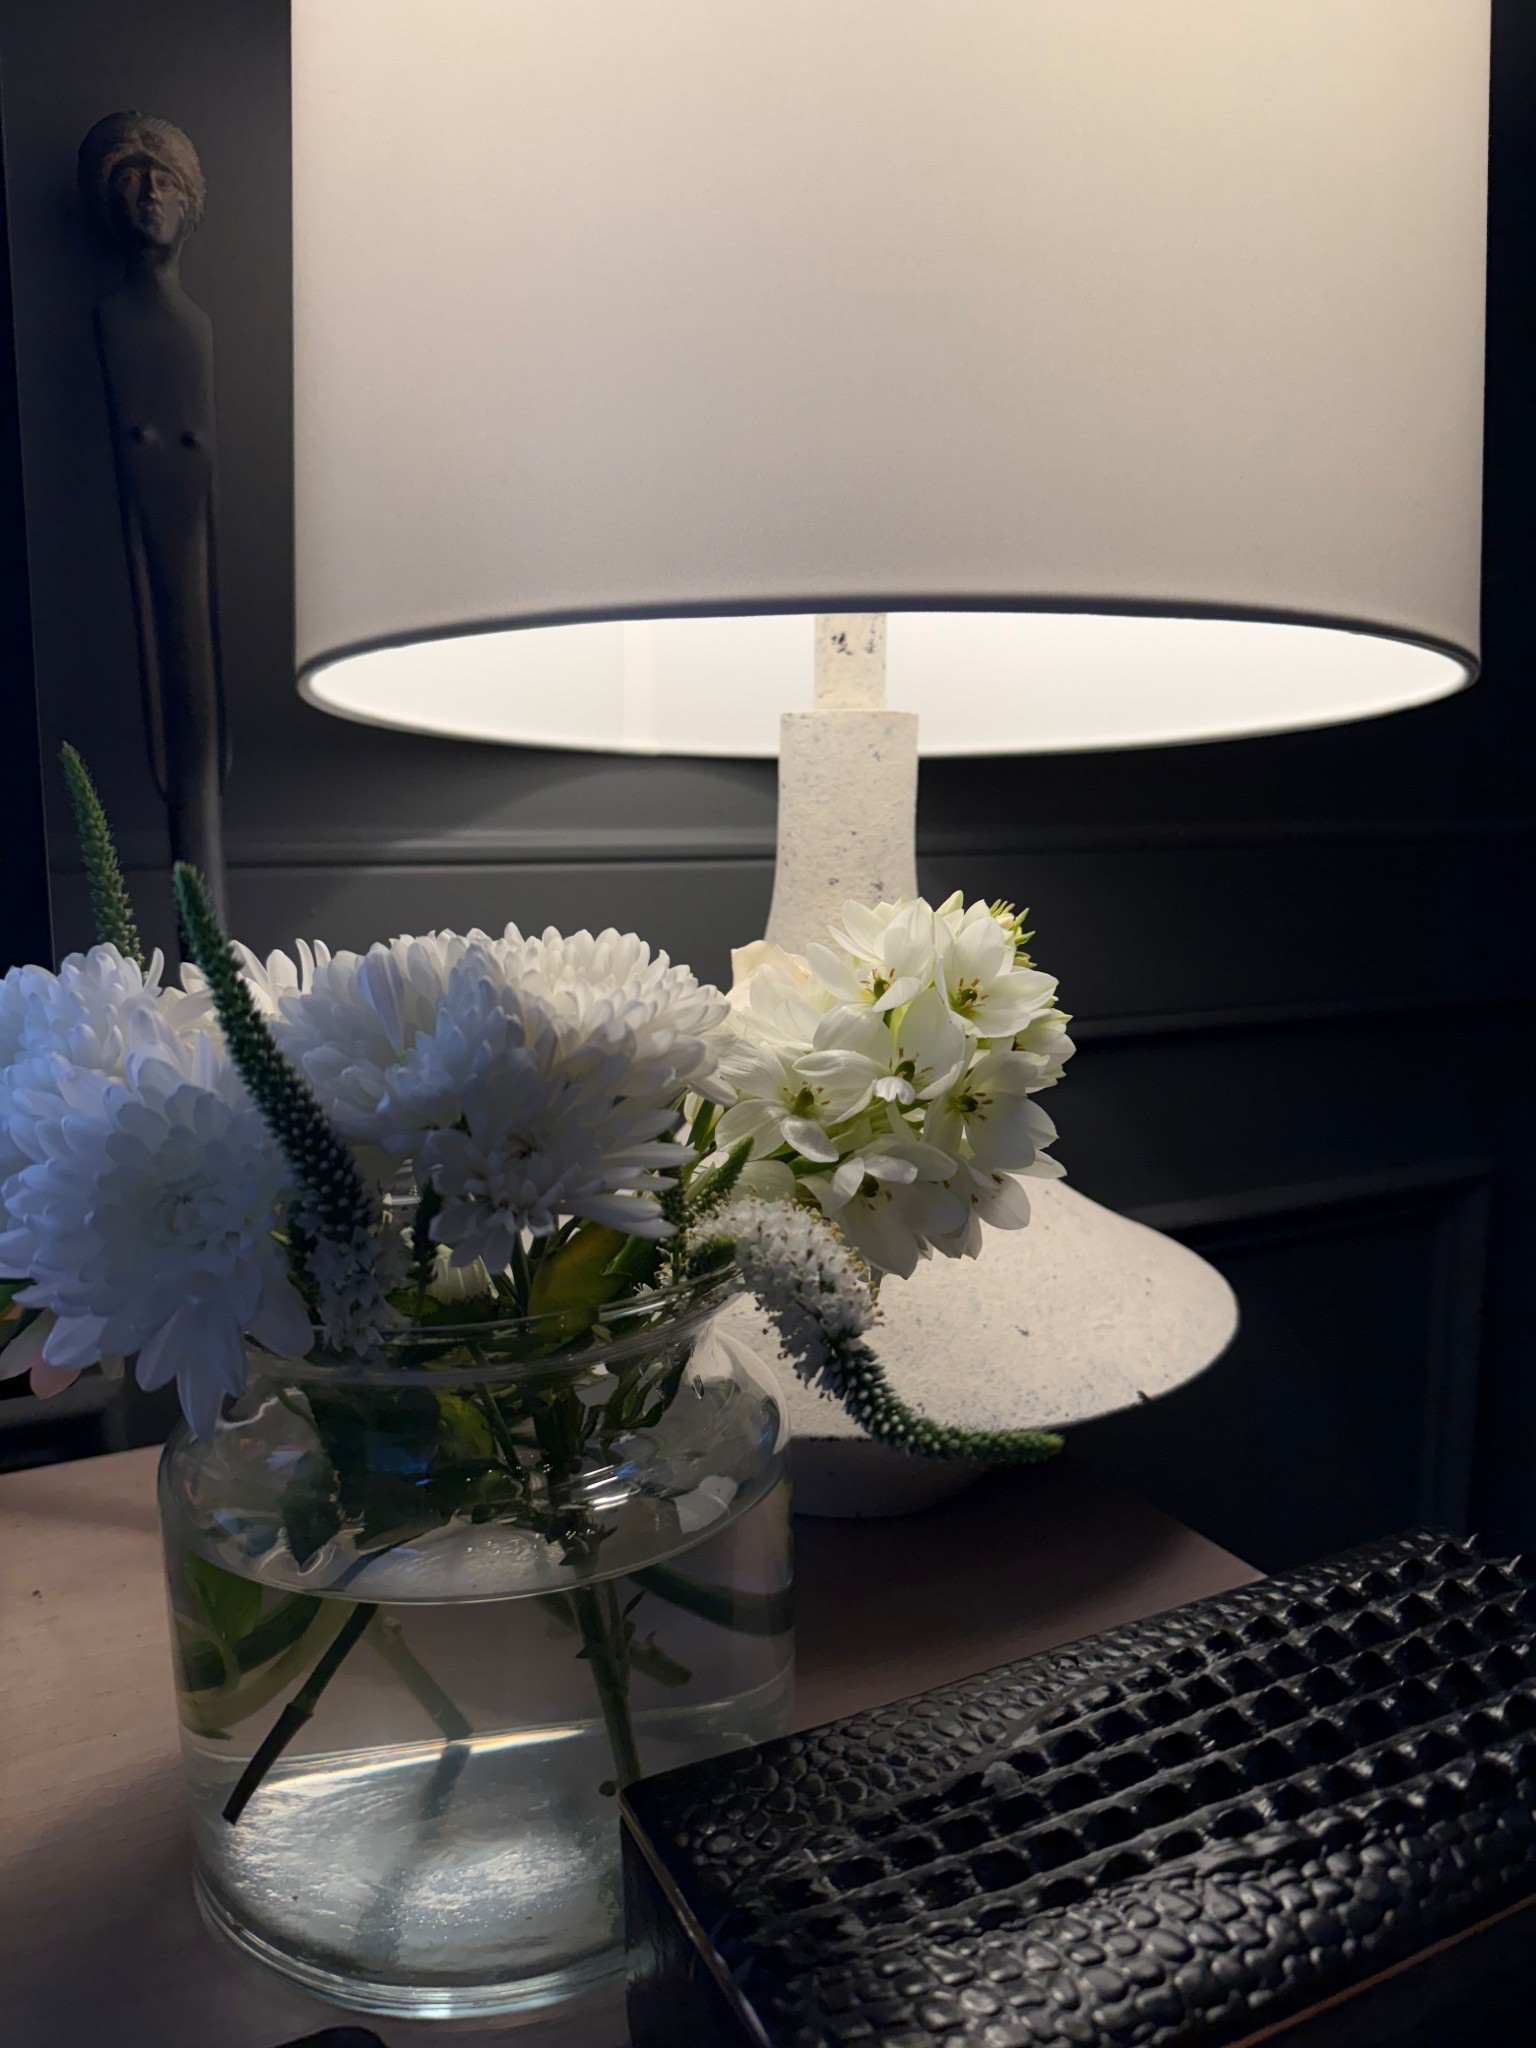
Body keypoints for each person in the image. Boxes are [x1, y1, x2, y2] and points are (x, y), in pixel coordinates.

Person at [78, 111, 228, 920]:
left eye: (162, 179)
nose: (145, 195)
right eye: (128, 180)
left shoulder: (195, 328)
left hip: (195, 521)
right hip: (145, 520)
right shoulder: (112, 320)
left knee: (203, 726)